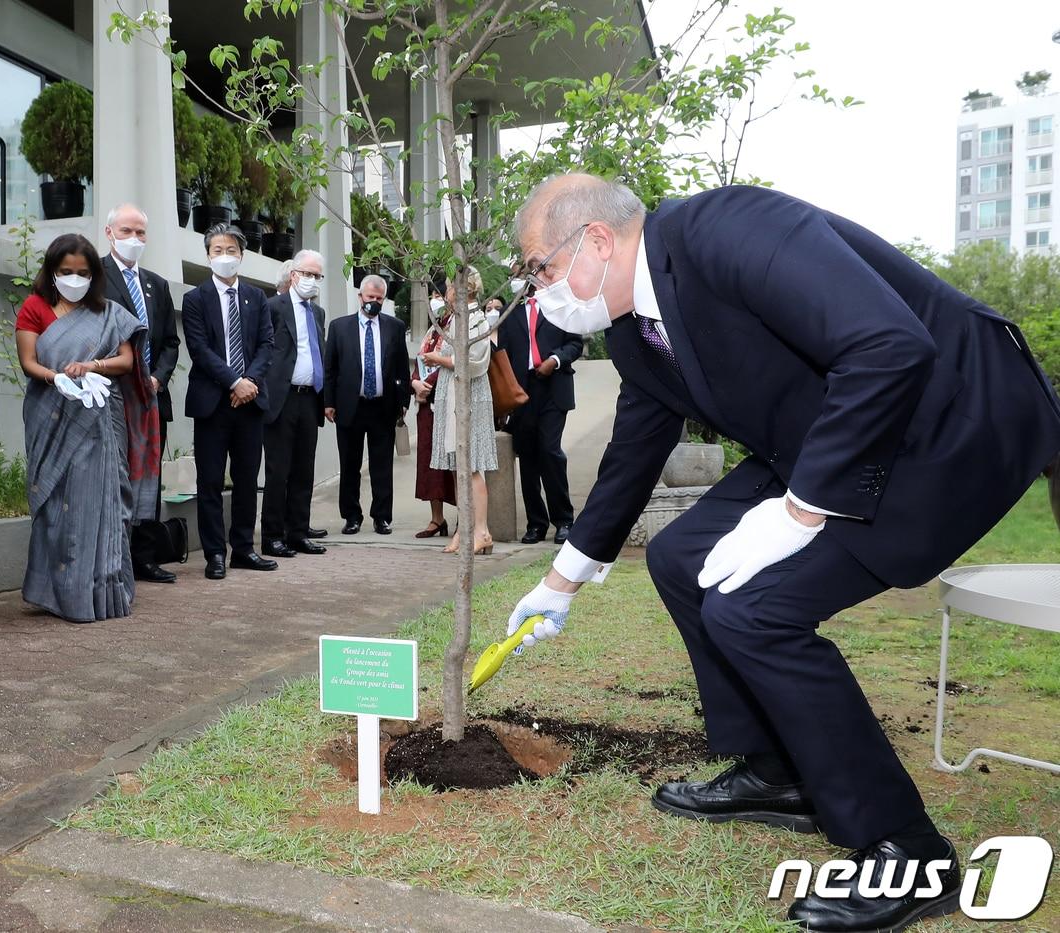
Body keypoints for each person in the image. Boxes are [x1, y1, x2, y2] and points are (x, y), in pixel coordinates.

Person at [504, 174, 1060, 933]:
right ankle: (781, 768)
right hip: (829, 430)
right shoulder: (635, 327)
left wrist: (801, 512)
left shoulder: (730, 227)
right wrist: (563, 577)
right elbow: (635, 447)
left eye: (539, 268)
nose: (538, 292)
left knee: (753, 611)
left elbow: (889, 345)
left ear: (596, 240)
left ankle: (908, 851)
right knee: (677, 560)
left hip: (947, 420)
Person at [15, 234, 154, 622]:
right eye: (66, 272)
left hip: (98, 416)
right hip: (50, 412)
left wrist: (91, 367)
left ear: (94, 275)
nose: (74, 279)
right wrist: (55, 378)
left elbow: (127, 361)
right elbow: (28, 361)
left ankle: (102, 588)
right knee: (56, 502)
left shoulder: (109, 312)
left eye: (83, 273)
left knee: (104, 498)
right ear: (52, 272)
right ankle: (55, 593)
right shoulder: (34, 308)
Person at [181, 223, 275, 580]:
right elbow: (199, 349)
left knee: (248, 479)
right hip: (212, 403)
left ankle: (244, 550)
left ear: (242, 254)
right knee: (209, 482)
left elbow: (267, 345)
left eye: (231, 250)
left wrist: (249, 382)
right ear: (207, 255)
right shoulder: (195, 299)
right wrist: (234, 381)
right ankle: (215, 554)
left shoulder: (257, 298)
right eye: (217, 251)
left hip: (251, 402)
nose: (225, 257)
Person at [101, 203, 180, 585]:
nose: (135, 239)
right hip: (114, 396)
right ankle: (115, 558)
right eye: (127, 231)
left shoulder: (157, 283)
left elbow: (170, 342)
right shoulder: (95, 276)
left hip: (151, 397)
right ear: (109, 232)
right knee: (115, 477)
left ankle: (144, 557)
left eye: (141, 233)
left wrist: (158, 378)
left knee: (149, 478)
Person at [324, 274, 410, 535]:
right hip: (349, 406)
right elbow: (330, 368)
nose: (374, 302)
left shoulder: (394, 327)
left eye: (379, 298)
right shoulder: (339, 327)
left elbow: (402, 368)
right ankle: (351, 516)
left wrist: (403, 400)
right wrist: (328, 402)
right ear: (360, 297)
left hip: (383, 406)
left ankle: (382, 516)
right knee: (349, 465)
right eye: (370, 297)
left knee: (382, 464)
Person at [497, 291, 582, 544]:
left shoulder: (560, 304)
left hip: (554, 389)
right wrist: (503, 400)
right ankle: (536, 523)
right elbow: (503, 354)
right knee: (528, 458)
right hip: (521, 393)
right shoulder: (509, 312)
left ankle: (564, 520)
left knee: (549, 451)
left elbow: (575, 344)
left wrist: (555, 360)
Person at [260, 250, 328, 558]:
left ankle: (298, 532)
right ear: (294, 275)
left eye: (318, 276)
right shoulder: (273, 307)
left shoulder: (318, 313)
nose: (313, 281)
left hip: (309, 398)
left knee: (304, 470)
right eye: (309, 274)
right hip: (281, 399)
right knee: (278, 471)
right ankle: (273, 535)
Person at [424, 269, 496, 555]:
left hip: (469, 396)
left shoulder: (476, 319)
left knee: (473, 465)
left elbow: (475, 361)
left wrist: (439, 358)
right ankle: (463, 529)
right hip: (451, 392)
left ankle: (482, 531)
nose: (447, 291)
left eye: (450, 286)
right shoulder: (455, 318)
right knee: (457, 467)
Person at [411, 282, 456, 538]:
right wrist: (416, 383)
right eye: (435, 295)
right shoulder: (433, 329)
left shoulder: (458, 325)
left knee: (454, 462)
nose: (438, 299)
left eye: (442, 294)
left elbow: (454, 361)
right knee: (429, 461)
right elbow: (420, 361)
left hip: (449, 400)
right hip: (427, 404)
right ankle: (437, 519)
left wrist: (430, 383)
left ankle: (465, 519)